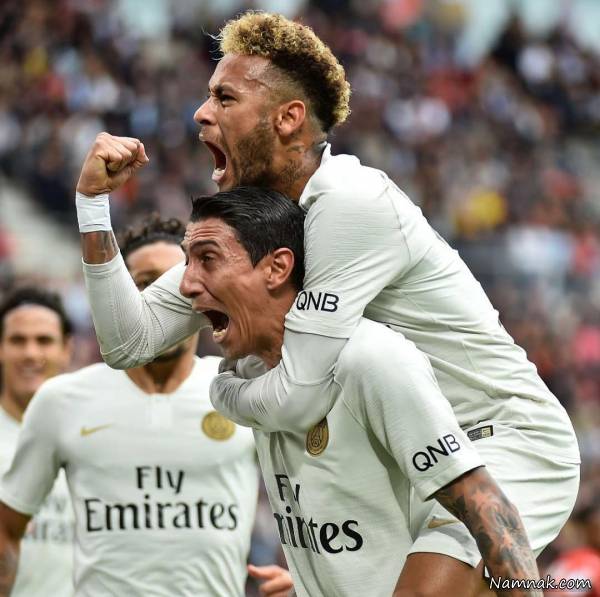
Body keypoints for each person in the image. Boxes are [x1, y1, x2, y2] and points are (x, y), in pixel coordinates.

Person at [74, 11, 579, 596]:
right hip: (404, 449)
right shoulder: (255, 229)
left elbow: (299, 395)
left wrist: (222, 389)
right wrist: (92, 205)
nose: (201, 113)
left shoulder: (350, 202)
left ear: (288, 118)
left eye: (225, 97)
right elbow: (129, 341)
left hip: (502, 439)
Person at [178, 186, 541, 597]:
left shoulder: (370, 360)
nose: (187, 284)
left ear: (277, 268)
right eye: (187, 262)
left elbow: (487, 508)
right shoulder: (254, 377)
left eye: (208, 259)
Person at [0, 216, 292, 597]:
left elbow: (314, 488)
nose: (161, 302)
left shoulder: (242, 387)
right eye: (144, 284)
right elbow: (7, 529)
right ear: (119, 295)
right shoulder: (62, 401)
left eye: (173, 284)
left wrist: (305, 577)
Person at [0, 287, 74, 597]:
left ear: (66, 349)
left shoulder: (93, 437)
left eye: (44, 340)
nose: (30, 353)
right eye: (18, 340)